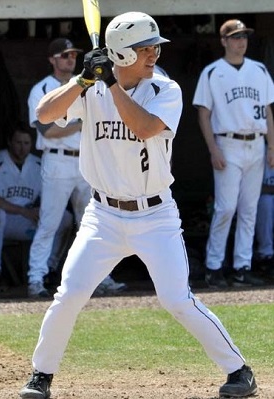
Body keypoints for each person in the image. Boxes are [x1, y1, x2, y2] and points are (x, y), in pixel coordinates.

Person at [20, 12, 257, 399]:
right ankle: (40, 375)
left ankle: (239, 370)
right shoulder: (92, 88)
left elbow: (144, 128)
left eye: (154, 47)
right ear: (120, 53)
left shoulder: (166, 89)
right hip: (103, 216)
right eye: (144, 48)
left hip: (155, 215)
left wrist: (109, 81)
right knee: (69, 294)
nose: (153, 54)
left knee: (177, 299)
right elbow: (44, 115)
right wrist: (82, 80)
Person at [193, 19, 274, 288]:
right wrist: (212, 148)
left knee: (249, 209)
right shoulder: (213, 72)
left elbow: (268, 111)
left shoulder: (259, 70)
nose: (241, 42)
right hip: (227, 142)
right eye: (236, 37)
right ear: (224, 41)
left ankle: (242, 265)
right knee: (226, 207)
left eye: (244, 37)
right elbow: (203, 114)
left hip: (256, 142)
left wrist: (272, 146)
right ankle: (214, 266)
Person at [27, 37, 92, 297]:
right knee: (49, 223)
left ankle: (98, 279)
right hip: (56, 160)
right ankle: (36, 278)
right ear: (52, 59)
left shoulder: (86, 85)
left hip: (86, 160)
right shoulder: (42, 88)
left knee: (92, 224)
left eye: (73, 55)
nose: (70, 59)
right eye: (64, 55)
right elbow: (48, 130)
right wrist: (81, 123)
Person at [0, 124, 73, 290]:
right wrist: (22, 211)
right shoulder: (1, 160)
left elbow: (50, 195)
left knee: (66, 218)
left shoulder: (39, 164)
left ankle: (49, 269)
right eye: (18, 142)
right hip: (7, 220)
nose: (22, 147)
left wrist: (39, 210)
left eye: (26, 143)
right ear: (10, 142)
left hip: (27, 219)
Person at [254, 143, 274, 278]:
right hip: (259, 199)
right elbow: (255, 188)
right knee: (266, 202)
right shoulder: (260, 148)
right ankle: (266, 255)